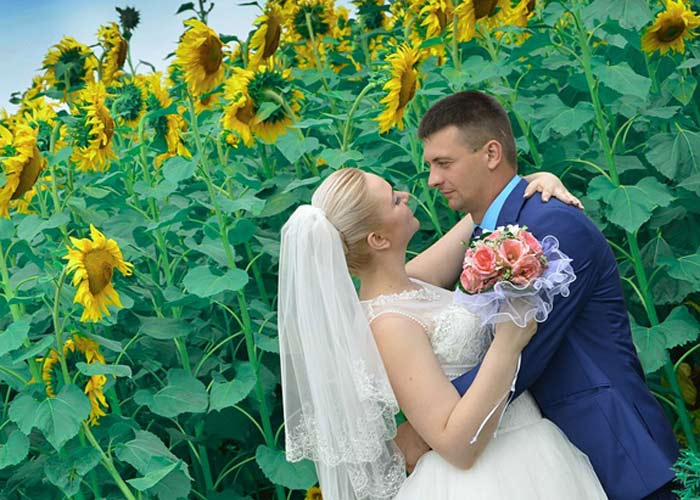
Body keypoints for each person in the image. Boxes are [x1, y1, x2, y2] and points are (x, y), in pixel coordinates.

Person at [394, 90, 680, 500]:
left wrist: (427, 427)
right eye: (430, 166)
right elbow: (400, 288)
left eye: (444, 163)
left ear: (491, 153)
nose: (433, 180)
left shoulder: (552, 227)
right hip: (542, 457)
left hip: (611, 450)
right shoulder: (491, 229)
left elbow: (523, 353)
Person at [278, 167, 606, 499]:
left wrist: (537, 181)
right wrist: (507, 344)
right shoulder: (390, 325)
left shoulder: (410, 281)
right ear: (378, 240)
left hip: (531, 445)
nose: (406, 196)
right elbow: (456, 446)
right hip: (487, 477)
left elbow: (482, 214)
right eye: (394, 200)